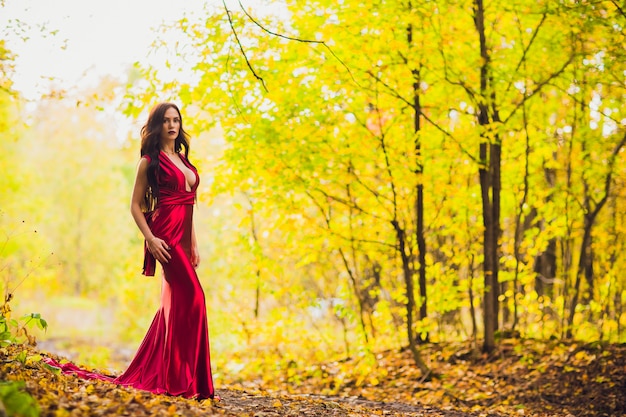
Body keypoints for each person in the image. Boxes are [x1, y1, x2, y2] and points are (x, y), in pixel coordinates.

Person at [45, 103, 217, 401]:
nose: (172, 125)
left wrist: (195, 243)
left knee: (175, 306)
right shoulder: (149, 161)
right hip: (165, 238)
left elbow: (189, 205)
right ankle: (181, 380)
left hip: (185, 239)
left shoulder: (185, 160)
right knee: (194, 299)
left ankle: (185, 378)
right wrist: (150, 239)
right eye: (165, 121)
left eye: (176, 120)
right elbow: (135, 205)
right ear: (157, 126)